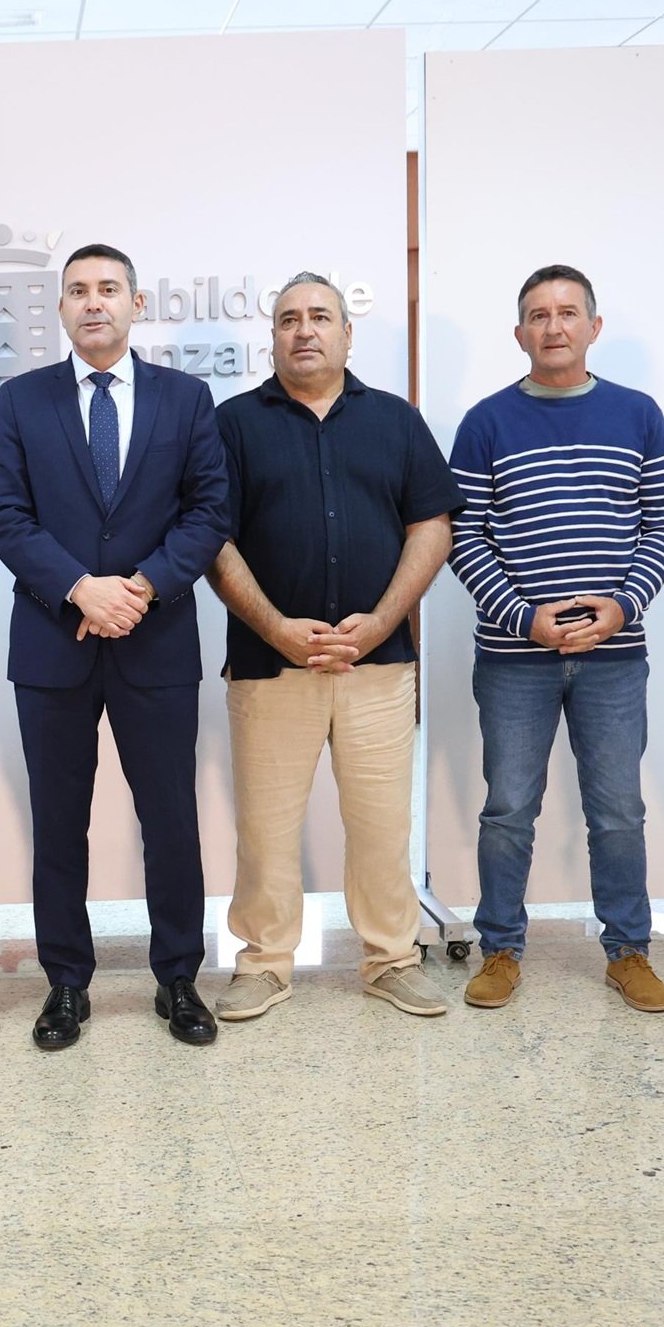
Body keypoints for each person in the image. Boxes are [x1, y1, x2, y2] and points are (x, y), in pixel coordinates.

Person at [0, 242, 232, 1049]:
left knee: (170, 820)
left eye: (109, 290)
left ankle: (179, 980)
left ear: (136, 304)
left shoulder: (185, 399)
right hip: (53, 643)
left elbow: (208, 512)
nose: (94, 302)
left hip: (155, 641)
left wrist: (141, 588)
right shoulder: (22, 401)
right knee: (59, 821)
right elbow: (6, 516)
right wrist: (81, 589)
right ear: (60, 309)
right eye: (78, 291)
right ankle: (65, 984)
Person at [207, 273, 463, 1022]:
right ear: (274, 337)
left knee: (383, 825)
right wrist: (275, 628)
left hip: (376, 666)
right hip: (268, 666)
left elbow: (432, 526)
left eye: (321, 316)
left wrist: (384, 619)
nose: (305, 330)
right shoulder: (232, 425)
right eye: (289, 319)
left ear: (348, 335)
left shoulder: (396, 420)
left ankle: (390, 958)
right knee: (264, 831)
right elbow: (210, 538)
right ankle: (263, 963)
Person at [446, 265, 664, 1013]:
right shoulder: (486, 423)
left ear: (593, 327)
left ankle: (628, 951)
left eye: (567, 312)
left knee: (618, 812)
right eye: (538, 315)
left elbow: (662, 523)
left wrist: (623, 606)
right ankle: (502, 951)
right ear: (519, 333)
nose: (553, 326)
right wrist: (525, 618)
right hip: (516, 659)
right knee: (508, 808)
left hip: (614, 657)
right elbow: (462, 536)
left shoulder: (638, 414)